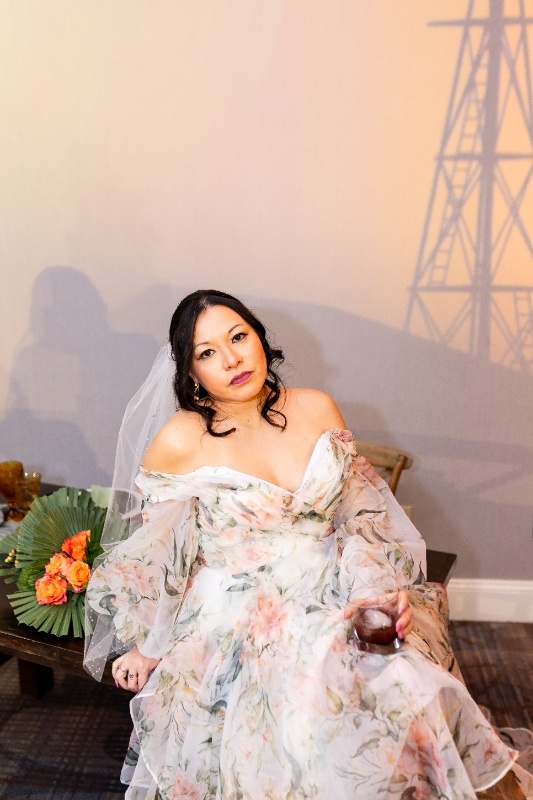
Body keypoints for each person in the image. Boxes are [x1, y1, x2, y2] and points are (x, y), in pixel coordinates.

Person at [85, 289, 517, 800]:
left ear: (259, 338)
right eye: (207, 352)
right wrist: (146, 643)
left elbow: (361, 515)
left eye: (239, 337)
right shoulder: (182, 438)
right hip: (239, 609)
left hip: (334, 583)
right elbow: (164, 549)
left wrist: (378, 593)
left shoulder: (316, 407)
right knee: (301, 716)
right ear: (191, 373)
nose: (231, 359)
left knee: (399, 684)